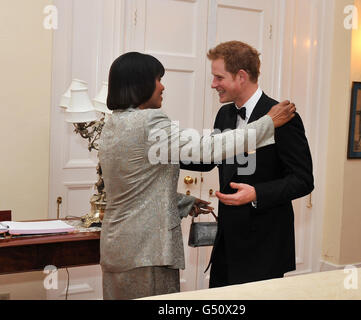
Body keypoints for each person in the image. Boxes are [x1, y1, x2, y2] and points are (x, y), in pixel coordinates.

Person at [98, 52, 296, 300]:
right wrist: (268, 123)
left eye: (217, 76)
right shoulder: (149, 120)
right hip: (147, 250)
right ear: (140, 84)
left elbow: (132, 181)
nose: (162, 86)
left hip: (119, 248)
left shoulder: (113, 123)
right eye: (158, 78)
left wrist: (183, 202)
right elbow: (207, 150)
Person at [181, 41, 314, 288]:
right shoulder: (225, 114)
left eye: (218, 77)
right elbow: (210, 157)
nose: (213, 84)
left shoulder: (283, 117)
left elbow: (303, 180)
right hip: (226, 244)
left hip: (265, 246)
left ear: (241, 76)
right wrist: (164, 153)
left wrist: (256, 194)